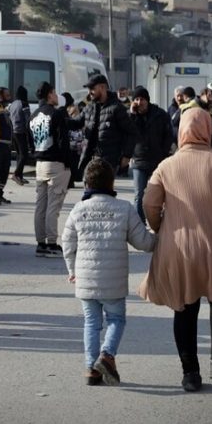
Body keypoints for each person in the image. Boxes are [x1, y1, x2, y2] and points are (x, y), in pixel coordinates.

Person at [138, 108, 212, 392]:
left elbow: (149, 202)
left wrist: (160, 226)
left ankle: (190, 373)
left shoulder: (166, 165)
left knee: (184, 307)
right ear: (208, 129)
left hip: (180, 248)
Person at [62, 158, 156, 386]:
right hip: (113, 281)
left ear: (86, 184)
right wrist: (162, 238)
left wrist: (72, 270)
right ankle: (107, 355)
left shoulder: (78, 210)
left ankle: (91, 369)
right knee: (116, 319)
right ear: (112, 183)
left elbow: (67, 243)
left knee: (91, 323)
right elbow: (144, 242)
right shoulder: (124, 208)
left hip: (85, 280)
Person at [30, 81, 72, 258]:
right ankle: (52, 244)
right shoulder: (56, 114)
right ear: (49, 94)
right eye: (54, 93)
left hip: (39, 164)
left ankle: (41, 243)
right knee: (53, 206)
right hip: (55, 163)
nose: (56, 96)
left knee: (41, 205)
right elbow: (63, 142)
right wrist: (68, 164)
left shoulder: (33, 115)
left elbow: (29, 141)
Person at [128, 86, 174, 223]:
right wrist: (132, 115)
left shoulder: (160, 114)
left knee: (161, 193)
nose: (139, 102)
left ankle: (162, 221)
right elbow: (127, 132)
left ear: (147, 100)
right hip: (139, 159)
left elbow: (168, 135)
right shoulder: (131, 116)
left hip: (158, 159)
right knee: (139, 194)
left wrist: (164, 152)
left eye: (142, 99)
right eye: (136, 99)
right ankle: (140, 224)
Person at [79, 75, 138, 174]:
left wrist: (127, 155)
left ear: (102, 87)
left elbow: (132, 132)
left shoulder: (116, 108)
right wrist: (59, 117)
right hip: (89, 159)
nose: (89, 92)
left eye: (92, 88)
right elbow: (76, 122)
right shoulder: (90, 107)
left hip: (108, 161)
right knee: (89, 184)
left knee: (102, 184)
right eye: (88, 89)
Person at [9, 86, 31, 186]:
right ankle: (16, 174)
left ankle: (20, 176)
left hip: (13, 132)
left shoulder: (12, 104)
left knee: (19, 154)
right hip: (21, 131)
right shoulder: (24, 104)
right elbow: (28, 119)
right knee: (24, 155)